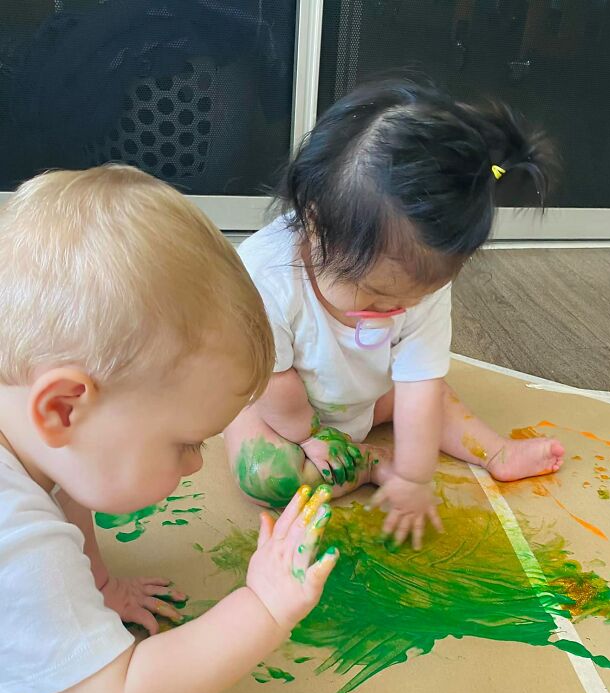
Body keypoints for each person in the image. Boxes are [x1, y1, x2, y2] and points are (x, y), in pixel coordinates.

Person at [0, 165, 337, 693]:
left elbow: (70, 494)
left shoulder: (34, 424)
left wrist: (99, 584)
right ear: (64, 406)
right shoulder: (16, 539)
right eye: (184, 442)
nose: (194, 468)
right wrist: (260, 608)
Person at [226, 78, 565, 550]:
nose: (390, 312)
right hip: (278, 403)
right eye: (375, 294)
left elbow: (418, 384)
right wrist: (309, 436)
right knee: (265, 476)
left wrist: (414, 475)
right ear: (315, 225)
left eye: (409, 299)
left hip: (370, 394)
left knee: (431, 399)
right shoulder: (266, 275)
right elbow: (272, 381)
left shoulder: (418, 284)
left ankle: (496, 449)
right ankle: (367, 461)